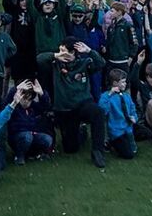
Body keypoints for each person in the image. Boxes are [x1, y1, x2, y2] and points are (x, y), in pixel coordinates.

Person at [39, 38, 108, 168]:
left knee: (98, 112)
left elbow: (101, 63)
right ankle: (81, 132)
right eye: (60, 50)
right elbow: (39, 59)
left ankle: (97, 151)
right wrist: (55, 55)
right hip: (65, 109)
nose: (61, 54)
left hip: (83, 104)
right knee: (70, 148)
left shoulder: (84, 63)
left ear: (74, 53)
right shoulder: (55, 63)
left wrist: (89, 51)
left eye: (64, 51)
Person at [6, 79, 54, 163]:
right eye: (24, 98)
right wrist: (15, 89)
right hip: (17, 137)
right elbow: (5, 103)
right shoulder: (14, 107)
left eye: (30, 99)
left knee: (47, 139)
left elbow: (45, 107)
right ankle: (19, 156)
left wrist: (42, 94)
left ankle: (33, 154)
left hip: (31, 136)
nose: (27, 102)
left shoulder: (32, 107)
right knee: (27, 137)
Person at [98, 70, 138, 161]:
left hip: (128, 127)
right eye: (123, 82)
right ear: (115, 83)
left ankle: (127, 141)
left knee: (145, 133)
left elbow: (132, 108)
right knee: (129, 154)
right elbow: (103, 110)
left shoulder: (126, 96)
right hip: (116, 131)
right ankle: (111, 143)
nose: (125, 84)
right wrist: (110, 94)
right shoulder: (105, 96)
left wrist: (134, 117)